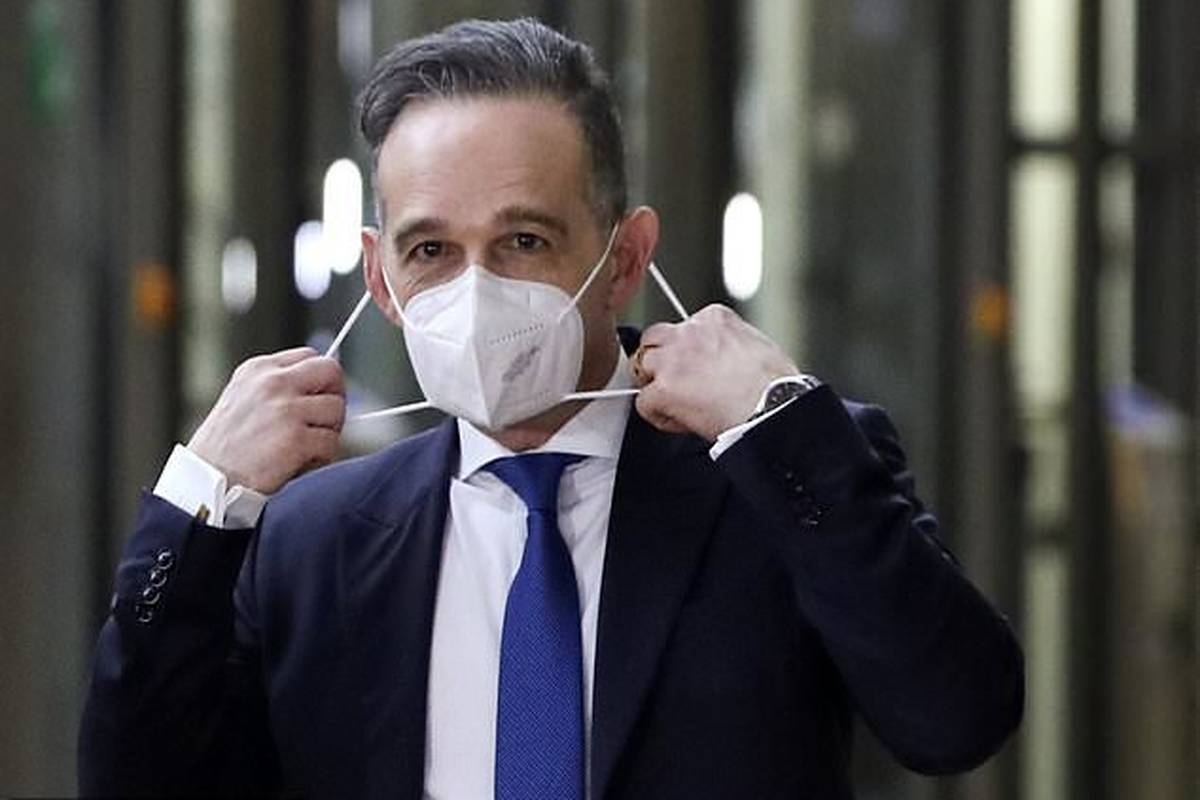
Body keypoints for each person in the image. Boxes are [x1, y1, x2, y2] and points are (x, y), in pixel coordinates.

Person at [79, 17, 1023, 800]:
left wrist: (781, 424)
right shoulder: (312, 541)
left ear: (624, 259)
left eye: (524, 240)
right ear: (380, 278)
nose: (476, 289)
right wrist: (198, 503)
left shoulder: (775, 484)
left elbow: (957, 718)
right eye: (431, 251)